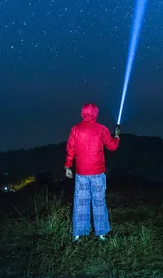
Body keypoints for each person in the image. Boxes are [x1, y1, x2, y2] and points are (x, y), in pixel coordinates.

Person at [65, 103, 120, 241]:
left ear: (82, 113)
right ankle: (101, 234)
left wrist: (68, 166)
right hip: (98, 172)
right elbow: (112, 147)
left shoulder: (75, 129)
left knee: (80, 202)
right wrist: (117, 137)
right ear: (96, 113)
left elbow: (70, 149)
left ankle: (78, 234)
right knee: (99, 201)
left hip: (81, 172)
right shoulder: (102, 129)